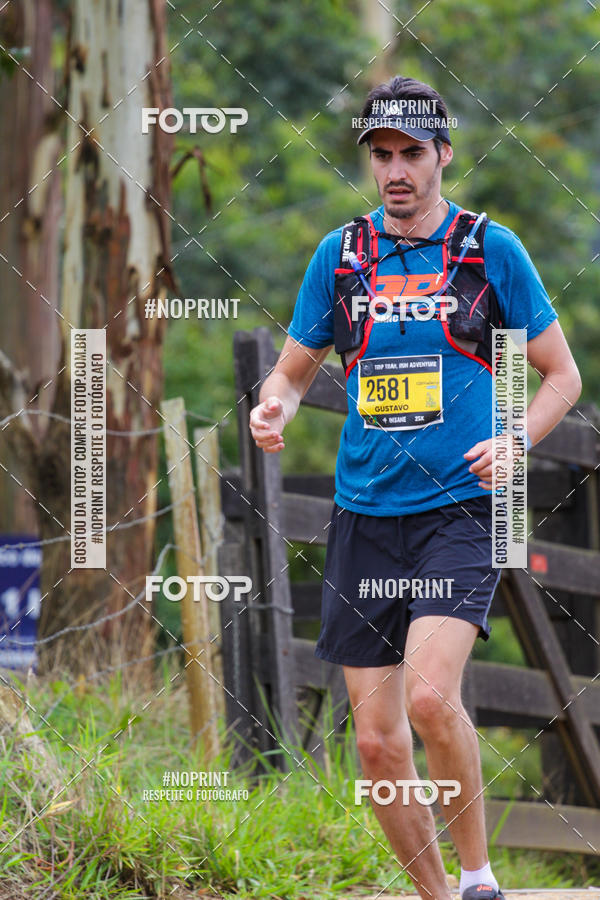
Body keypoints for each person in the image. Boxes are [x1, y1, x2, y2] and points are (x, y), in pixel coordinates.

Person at [248, 75, 581, 900]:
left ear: (443, 155)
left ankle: (478, 878)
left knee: (432, 700)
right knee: (375, 746)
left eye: (412, 154)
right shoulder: (343, 255)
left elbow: (561, 377)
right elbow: (293, 374)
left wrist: (513, 440)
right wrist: (272, 406)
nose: (396, 170)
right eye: (382, 155)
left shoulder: (487, 250)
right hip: (364, 515)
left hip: (458, 512)